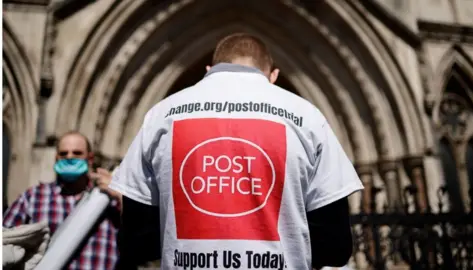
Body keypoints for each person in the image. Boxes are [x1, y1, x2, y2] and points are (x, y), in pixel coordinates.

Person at [110, 33, 364, 269]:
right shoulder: (307, 117)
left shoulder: (161, 114)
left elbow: (138, 240)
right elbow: (335, 245)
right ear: (273, 75)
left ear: (208, 71)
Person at [3, 131, 122, 270]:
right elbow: (5, 240)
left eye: (77, 153)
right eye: (64, 154)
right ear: (56, 158)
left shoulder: (109, 201)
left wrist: (120, 195)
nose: (69, 157)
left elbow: (144, 239)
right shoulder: (33, 198)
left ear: (90, 159)